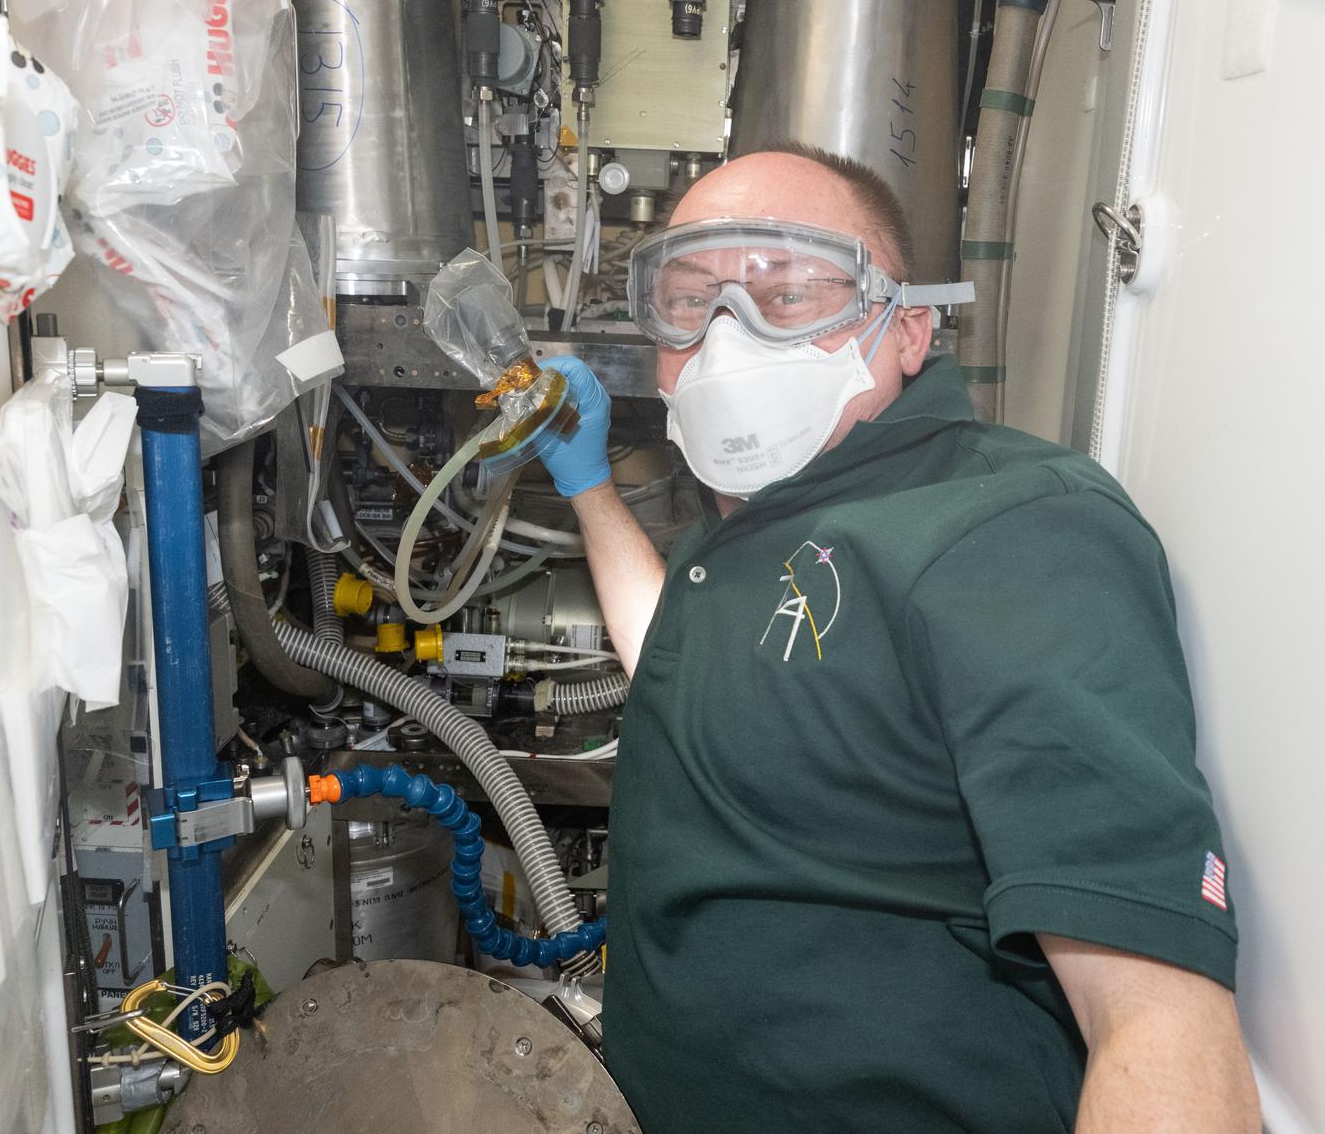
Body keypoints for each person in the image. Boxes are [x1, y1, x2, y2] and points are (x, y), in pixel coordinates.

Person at [535, 143, 1260, 1133]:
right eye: (689, 298)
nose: (724, 337)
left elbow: (1159, 1020)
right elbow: (702, 658)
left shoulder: (1008, 528)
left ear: (908, 325)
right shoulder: (754, 522)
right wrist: (589, 493)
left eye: (784, 293)